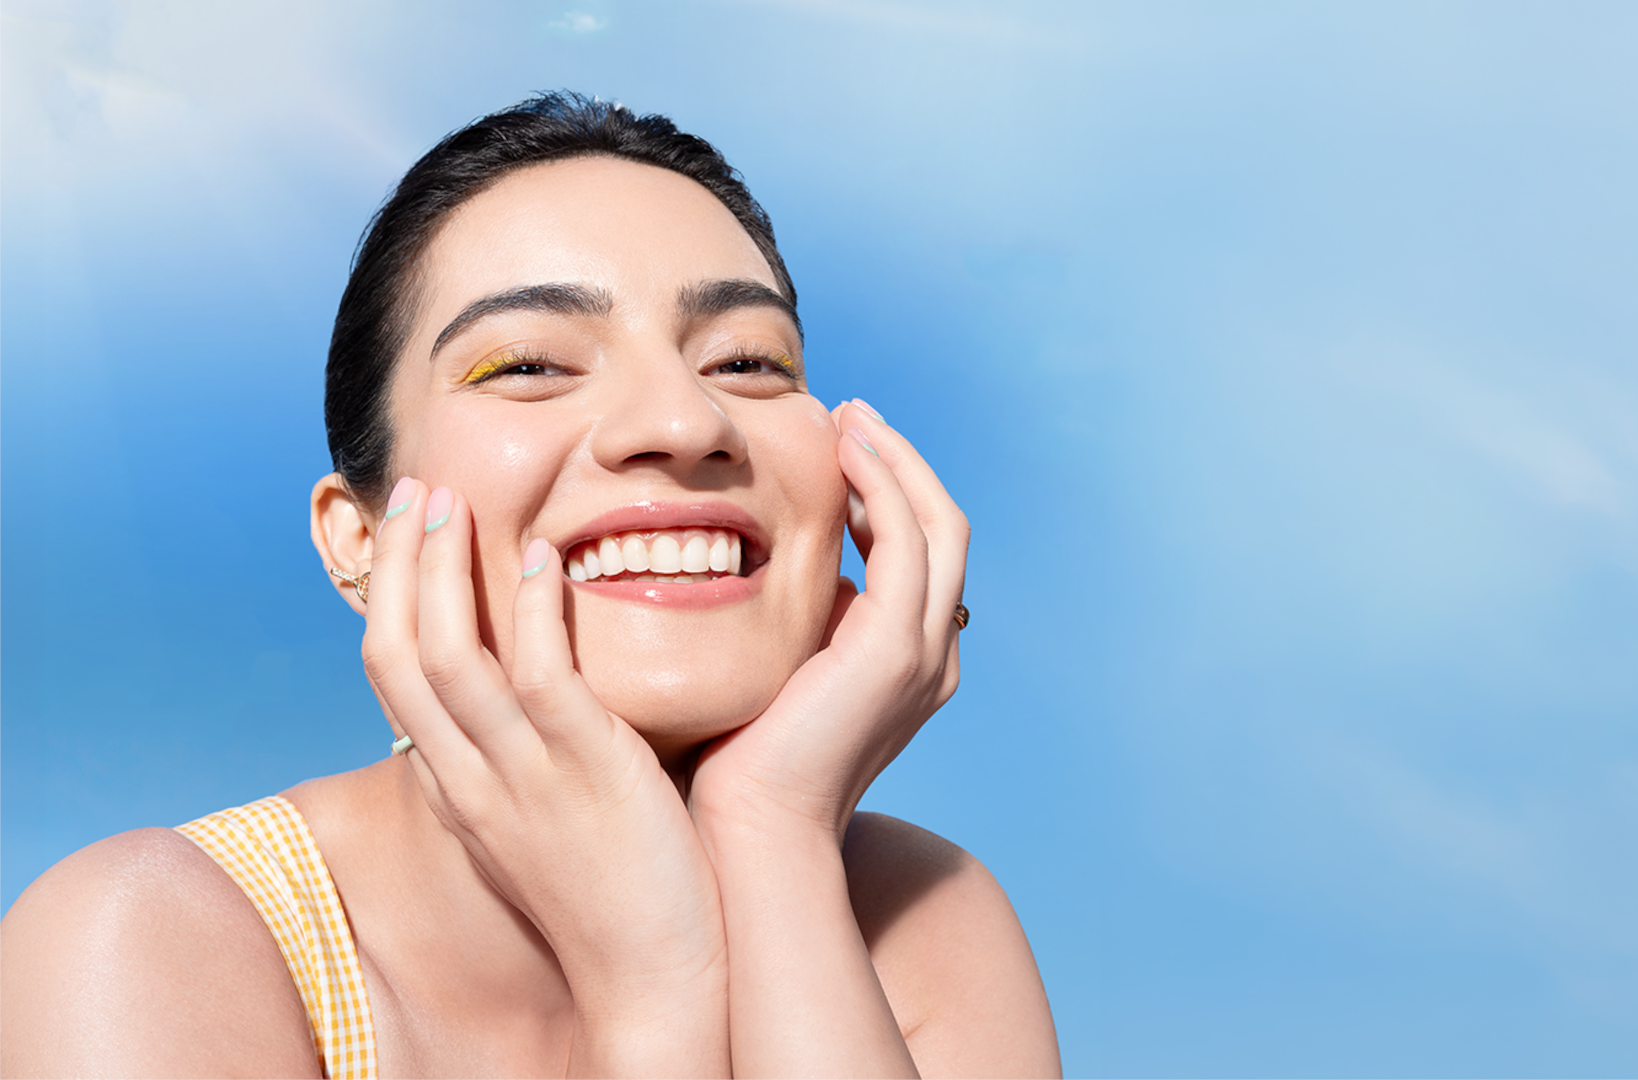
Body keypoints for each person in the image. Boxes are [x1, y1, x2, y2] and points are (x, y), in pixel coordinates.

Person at [0, 92, 1059, 1078]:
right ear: (358, 537)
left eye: (747, 360)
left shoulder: (925, 922)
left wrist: (776, 833)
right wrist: (650, 986)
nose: (685, 424)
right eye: (528, 364)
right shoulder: (146, 941)